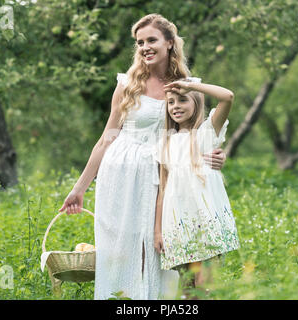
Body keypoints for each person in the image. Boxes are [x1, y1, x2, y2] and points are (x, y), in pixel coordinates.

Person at [58, 13, 227, 300]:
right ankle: (121, 299)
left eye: (152, 40)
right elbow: (106, 138)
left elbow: (197, 133)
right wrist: (79, 188)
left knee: (157, 246)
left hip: (163, 174)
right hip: (120, 173)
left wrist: (214, 157)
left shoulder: (188, 86)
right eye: (139, 42)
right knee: (121, 250)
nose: (145, 47)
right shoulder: (128, 84)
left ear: (170, 43)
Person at [153, 79, 241, 299]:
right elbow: (162, 189)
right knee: (187, 287)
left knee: (205, 285)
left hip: (205, 219)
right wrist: (158, 230)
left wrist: (193, 87)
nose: (175, 106)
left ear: (196, 102)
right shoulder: (166, 143)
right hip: (179, 222)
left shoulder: (206, 134)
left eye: (182, 100)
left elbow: (227, 96)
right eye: (171, 102)